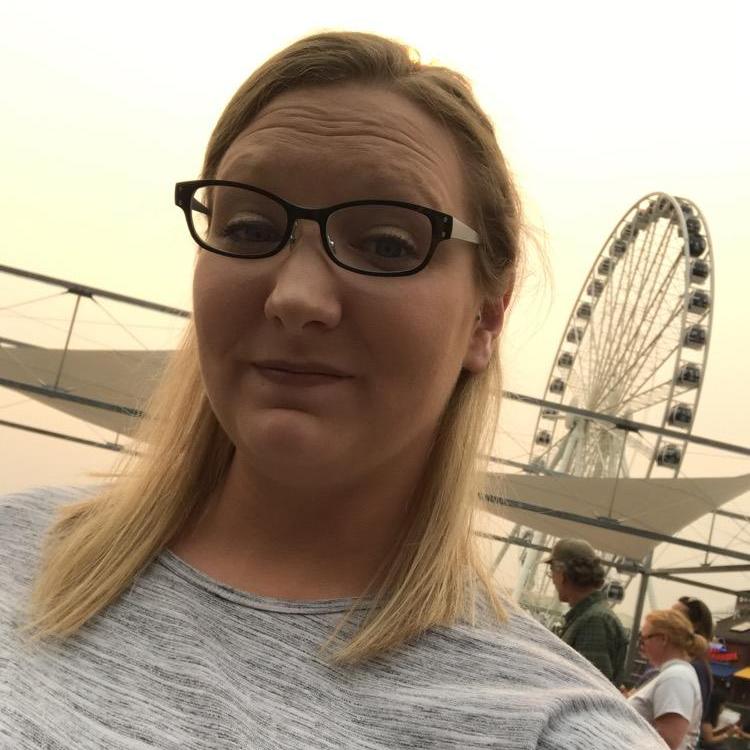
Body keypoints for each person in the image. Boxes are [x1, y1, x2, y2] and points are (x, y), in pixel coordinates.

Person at [0, 31, 666, 749]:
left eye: (387, 244)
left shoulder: (559, 732)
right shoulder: (14, 546)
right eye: (249, 227)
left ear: (487, 318)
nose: (296, 296)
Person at [544, 537, 629, 685]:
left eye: (552, 571)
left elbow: (588, 688)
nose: (552, 579)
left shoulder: (594, 621)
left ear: (562, 574)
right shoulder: (591, 616)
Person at [628, 609, 706, 750]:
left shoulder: (676, 677)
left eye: (644, 638)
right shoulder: (673, 674)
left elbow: (667, 742)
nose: (642, 644)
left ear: (663, 639)